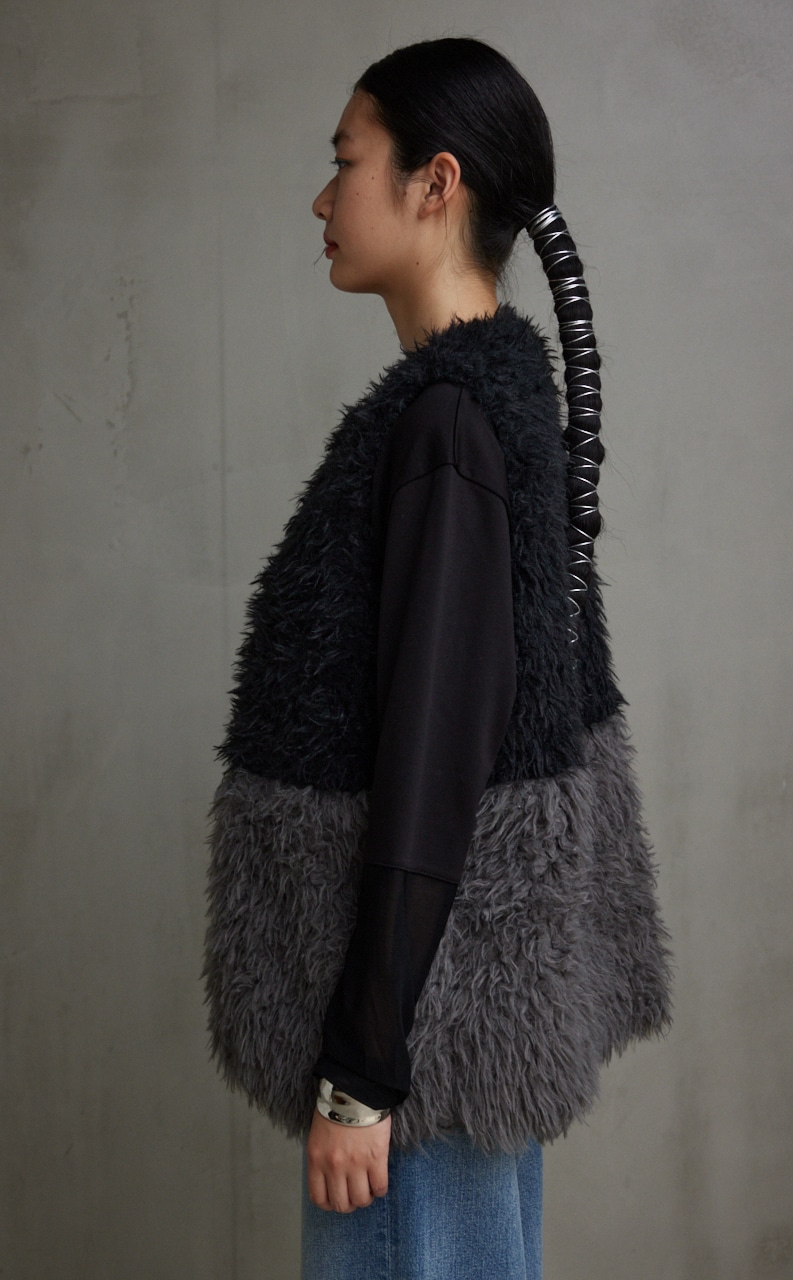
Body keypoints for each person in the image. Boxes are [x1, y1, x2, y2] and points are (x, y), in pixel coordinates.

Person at [203, 36, 672, 1280]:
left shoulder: (449, 427)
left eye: (346, 160)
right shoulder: (486, 410)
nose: (321, 197)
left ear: (434, 182)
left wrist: (361, 1072)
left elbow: (434, 758)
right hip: (456, 1023)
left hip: (416, 1045)